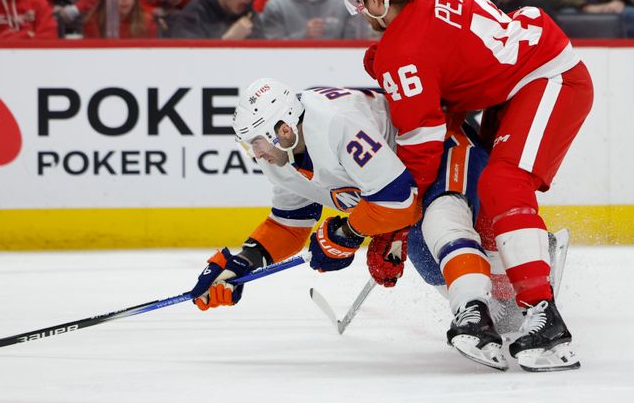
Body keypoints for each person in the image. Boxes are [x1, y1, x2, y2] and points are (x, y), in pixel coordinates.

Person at [340, 0, 591, 372]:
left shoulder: (403, 57)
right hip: (512, 80)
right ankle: (516, 284)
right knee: (485, 192)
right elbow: (445, 42)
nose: (358, 11)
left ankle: (544, 317)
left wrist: (392, 223)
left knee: (502, 183)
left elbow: (421, 160)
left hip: (549, 75)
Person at [190, 78, 509, 371]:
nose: (256, 153)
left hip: (441, 144)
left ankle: (475, 310)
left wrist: (348, 233)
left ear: (284, 129)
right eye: (248, 145)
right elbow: (289, 225)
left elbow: (397, 200)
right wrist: (240, 265)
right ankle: (503, 299)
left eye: (257, 142)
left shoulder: (335, 124)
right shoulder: (280, 158)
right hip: (402, 179)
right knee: (425, 257)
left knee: (439, 226)